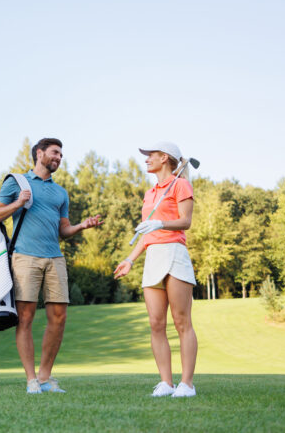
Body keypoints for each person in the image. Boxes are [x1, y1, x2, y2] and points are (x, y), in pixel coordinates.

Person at [0, 137, 102, 394]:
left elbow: (64, 229)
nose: (59, 158)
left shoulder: (60, 192)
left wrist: (82, 226)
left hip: (55, 258)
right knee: (26, 318)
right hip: (25, 257)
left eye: (61, 155)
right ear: (39, 153)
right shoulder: (16, 182)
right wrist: (18, 202)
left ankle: (45, 378)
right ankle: (30, 381)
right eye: (54, 153)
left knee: (59, 317)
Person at [113, 142, 198, 398]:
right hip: (153, 257)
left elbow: (186, 221)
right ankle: (166, 382)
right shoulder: (150, 194)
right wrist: (130, 259)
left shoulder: (180, 184)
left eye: (151, 155)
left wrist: (161, 222)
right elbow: (146, 234)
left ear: (165, 158)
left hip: (174, 252)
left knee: (182, 322)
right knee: (156, 323)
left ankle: (187, 384)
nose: (146, 159)